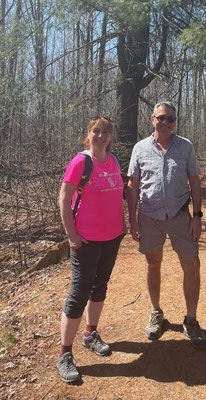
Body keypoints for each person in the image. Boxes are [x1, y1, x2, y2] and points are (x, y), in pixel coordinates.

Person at [127, 101, 206, 350]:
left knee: (192, 264)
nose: (166, 123)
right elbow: (132, 185)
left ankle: (191, 319)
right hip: (149, 217)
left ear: (175, 122)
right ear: (153, 119)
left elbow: (195, 181)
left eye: (170, 119)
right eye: (161, 118)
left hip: (180, 215)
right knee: (153, 263)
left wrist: (197, 215)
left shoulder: (185, 147)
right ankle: (156, 312)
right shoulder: (140, 148)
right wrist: (132, 219)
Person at [57, 117, 125, 383]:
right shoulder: (81, 162)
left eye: (106, 132)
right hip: (85, 240)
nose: (101, 136)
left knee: (100, 286)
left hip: (112, 237)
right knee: (78, 292)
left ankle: (90, 333)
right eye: (96, 131)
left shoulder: (114, 160)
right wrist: (71, 234)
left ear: (110, 136)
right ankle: (64, 353)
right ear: (88, 134)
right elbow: (64, 198)